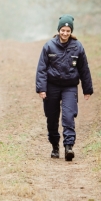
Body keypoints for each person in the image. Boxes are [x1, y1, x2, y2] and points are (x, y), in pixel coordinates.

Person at [35, 14, 93, 161]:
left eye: (68, 31)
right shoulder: (49, 46)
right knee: (52, 118)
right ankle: (55, 145)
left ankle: (68, 147)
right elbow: (41, 69)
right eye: (63, 30)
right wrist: (41, 89)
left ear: (71, 31)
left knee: (68, 116)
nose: (65, 33)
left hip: (70, 87)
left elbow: (84, 69)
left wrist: (87, 89)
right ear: (59, 30)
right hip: (51, 86)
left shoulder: (77, 47)